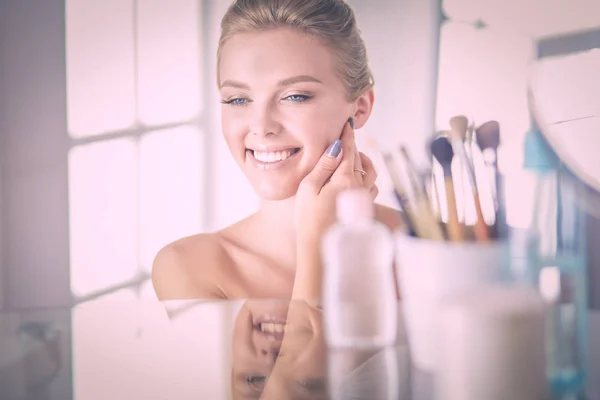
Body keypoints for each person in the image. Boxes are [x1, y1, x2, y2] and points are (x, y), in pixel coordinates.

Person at [152, 0, 402, 302]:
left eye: (295, 96)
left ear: (360, 107)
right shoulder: (189, 267)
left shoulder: (434, 244)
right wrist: (319, 244)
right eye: (238, 100)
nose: (261, 126)